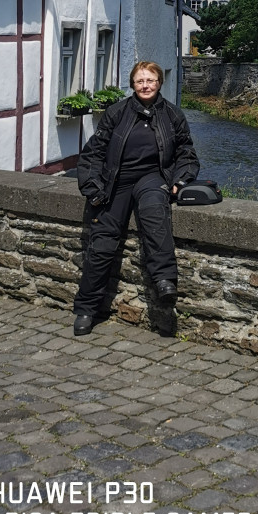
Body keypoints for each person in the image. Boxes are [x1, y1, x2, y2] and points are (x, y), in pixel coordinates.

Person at [72, 60, 199, 336]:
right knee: (103, 242)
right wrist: (93, 187)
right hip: (115, 180)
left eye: (151, 80)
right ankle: (86, 309)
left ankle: (164, 279)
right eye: (140, 81)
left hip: (152, 177)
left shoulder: (172, 115)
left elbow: (186, 153)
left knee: (155, 213)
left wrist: (180, 180)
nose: (146, 85)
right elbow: (94, 152)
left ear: (159, 83)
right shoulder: (117, 112)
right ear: (132, 84)